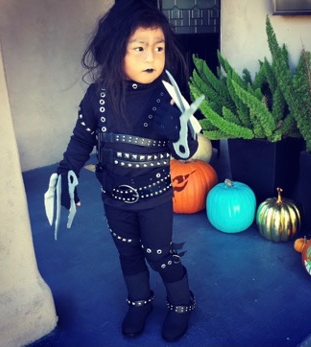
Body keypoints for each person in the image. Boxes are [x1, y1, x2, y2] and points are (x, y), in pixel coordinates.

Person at [54, 0, 200, 342]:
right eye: (139, 48)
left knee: (160, 254)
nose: (151, 57)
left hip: (155, 198)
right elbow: (81, 139)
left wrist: (179, 131)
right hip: (114, 197)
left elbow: (189, 149)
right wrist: (66, 169)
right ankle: (139, 301)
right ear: (114, 50)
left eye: (158, 48)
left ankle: (181, 303)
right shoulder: (97, 96)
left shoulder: (169, 96)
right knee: (128, 252)